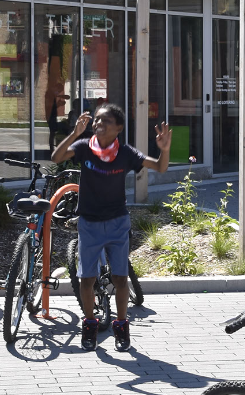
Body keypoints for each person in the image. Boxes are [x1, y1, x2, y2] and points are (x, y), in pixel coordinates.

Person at [52, 103, 170, 352]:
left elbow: (159, 167)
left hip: (117, 223)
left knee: (120, 278)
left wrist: (164, 150)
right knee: (86, 279)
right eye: (96, 120)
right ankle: (90, 324)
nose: (98, 124)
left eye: (105, 121)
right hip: (89, 223)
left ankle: (121, 325)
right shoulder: (84, 148)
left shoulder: (126, 153)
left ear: (118, 128)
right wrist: (74, 134)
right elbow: (56, 158)